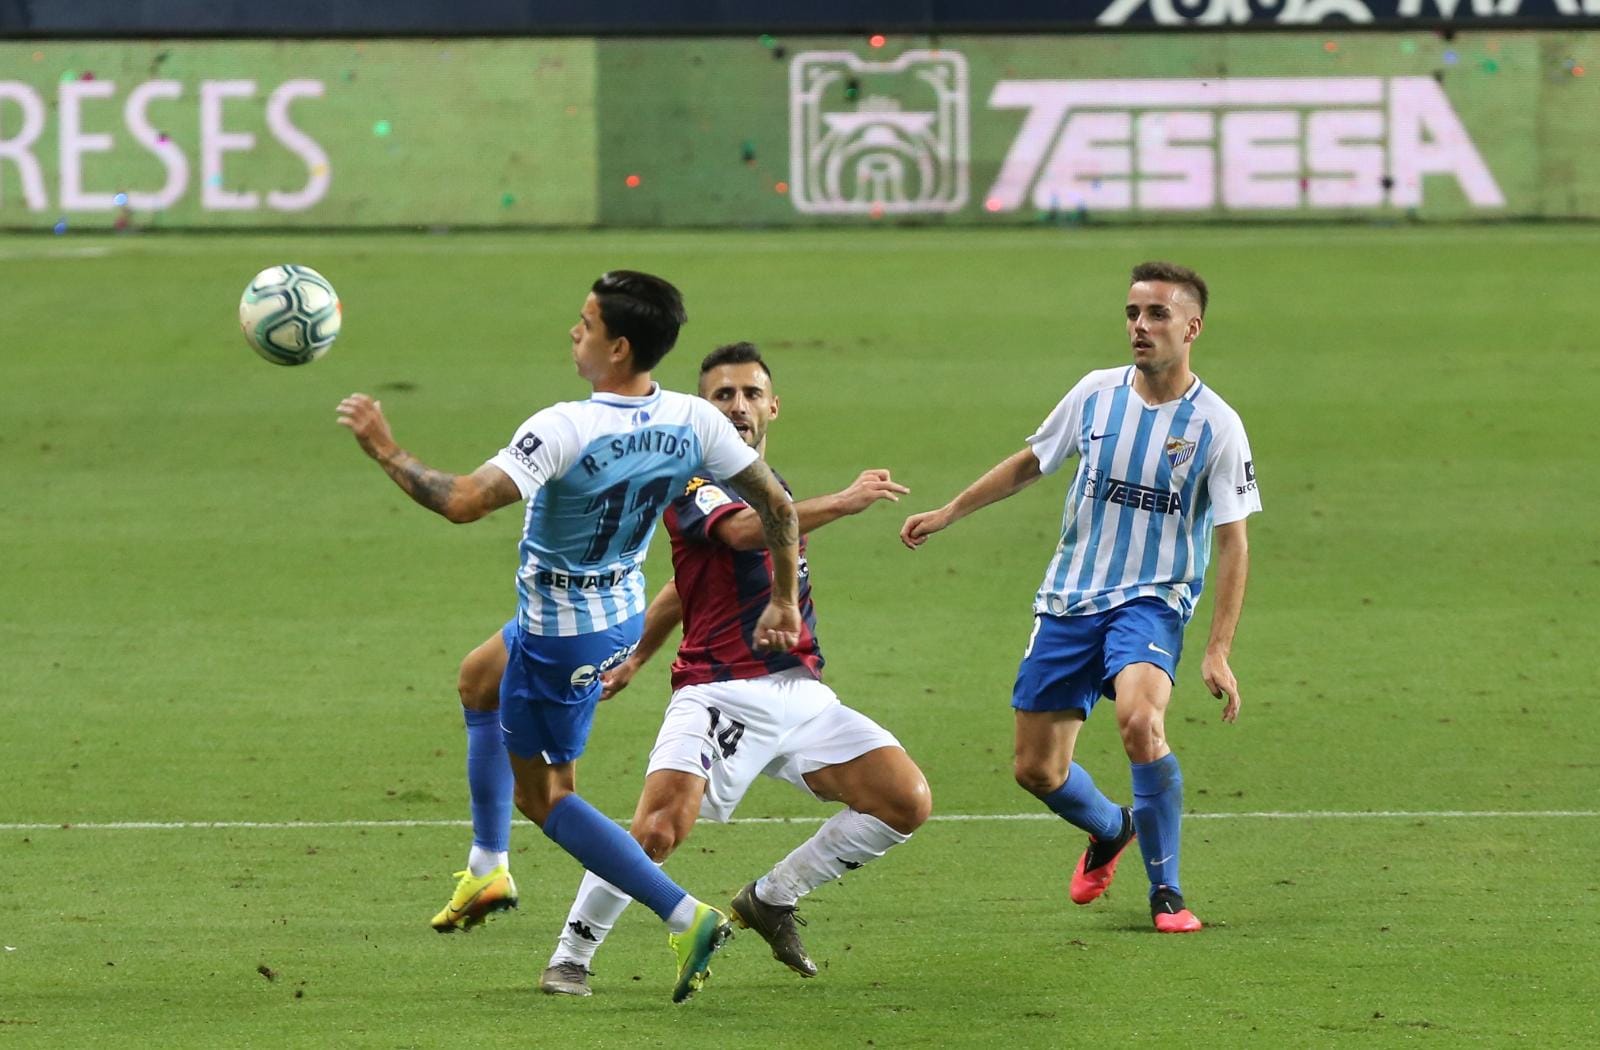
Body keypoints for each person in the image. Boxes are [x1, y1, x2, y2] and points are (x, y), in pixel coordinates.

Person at [337, 271, 802, 1002]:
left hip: (561, 638)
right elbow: (777, 503)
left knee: (548, 798)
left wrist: (385, 449)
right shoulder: (693, 419)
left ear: (618, 346)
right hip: (611, 613)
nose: (573, 334)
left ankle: (685, 915)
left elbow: (462, 502)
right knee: (478, 677)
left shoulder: (565, 428)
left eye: (584, 324)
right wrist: (783, 599)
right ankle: (488, 866)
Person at [533, 342, 932, 996]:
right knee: (659, 829)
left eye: (751, 393)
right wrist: (848, 500)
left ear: (773, 406)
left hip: (803, 696)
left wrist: (636, 654)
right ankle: (572, 954)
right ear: (703, 408)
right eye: (724, 395)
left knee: (903, 800)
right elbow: (748, 534)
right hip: (719, 691)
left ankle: (773, 898)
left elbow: (678, 589)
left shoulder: (772, 490)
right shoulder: (692, 480)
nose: (739, 405)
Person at [899, 261, 1259, 933]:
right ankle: (1109, 828)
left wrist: (1218, 650)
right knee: (1035, 769)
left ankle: (1168, 892)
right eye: (1132, 313)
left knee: (1140, 723)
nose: (1140, 327)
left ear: (1192, 327)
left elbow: (1235, 541)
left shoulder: (1217, 426)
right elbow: (1031, 461)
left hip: (1151, 602)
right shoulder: (1096, 395)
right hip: (1070, 598)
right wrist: (950, 512)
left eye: (1156, 315)